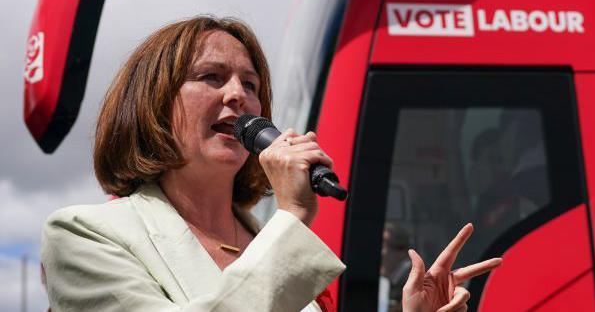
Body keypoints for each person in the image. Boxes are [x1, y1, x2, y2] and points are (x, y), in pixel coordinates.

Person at [41, 16, 501, 311]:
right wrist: (293, 217)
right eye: (211, 77)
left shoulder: (272, 241)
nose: (239, 95)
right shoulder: (83, 235)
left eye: (250, 83)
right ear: (151, 104)